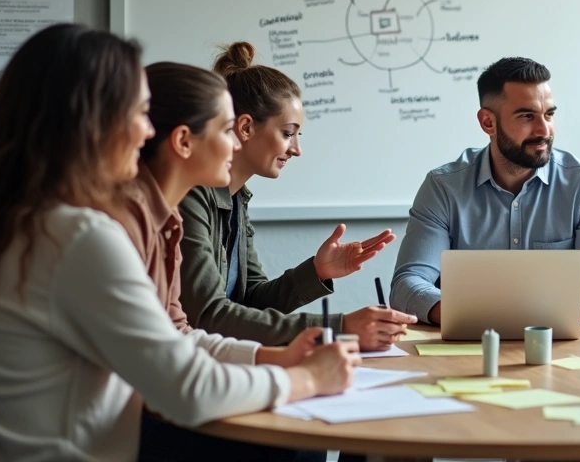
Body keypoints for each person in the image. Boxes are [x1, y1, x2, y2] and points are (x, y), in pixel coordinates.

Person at [0, 24, 360, 462]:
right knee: (302, 445)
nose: (146, 133)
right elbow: (186, 388)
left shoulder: (11, 222)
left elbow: (172, 339)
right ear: (94, 124)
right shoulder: (78, 238)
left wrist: (268, 357)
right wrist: (308, 379)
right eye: (140, 113)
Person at [126, 62, 339, 461]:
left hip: (167, 393)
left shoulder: (175, 218)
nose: (233, 145)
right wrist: (305, 371)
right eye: (227, 131)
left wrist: (315, 276)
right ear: (184, 141)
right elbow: (197, 326)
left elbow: (183, 332)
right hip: (143, 415)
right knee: (301, 440)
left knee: (309, 434)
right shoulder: (140, 222)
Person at [178, 42, 416, 350]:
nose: (296, 149)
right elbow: (209, 316)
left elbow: (251, 300)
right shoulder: (192, 196)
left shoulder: (237, 199)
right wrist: (338, 327)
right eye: (288, 133)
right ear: (246, 127)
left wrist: (316, 271)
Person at [390, 56, 580, 324]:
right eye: (527, 116)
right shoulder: (443, 188)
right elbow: (407, 284)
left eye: (549, 114)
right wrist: (478, 316)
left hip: (557, 339)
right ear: (488, 122)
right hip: (470, 340)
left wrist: (564, 312)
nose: (544, 130)